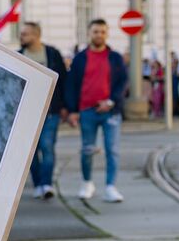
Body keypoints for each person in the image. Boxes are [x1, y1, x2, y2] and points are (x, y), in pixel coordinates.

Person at [65, 18, 128, 204]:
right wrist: (72, 110)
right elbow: (72, 85)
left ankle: (110, 187)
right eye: (95, 31)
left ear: (107, 34)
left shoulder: (115, 57)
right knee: (87, 150)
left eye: (102, 31)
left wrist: (111, 101)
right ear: (89, 34)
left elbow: (123, 83)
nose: (99, 35)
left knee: (112, 150)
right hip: (86, 110)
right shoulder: (80, 58)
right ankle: (87, 183)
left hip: (110, 111)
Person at [18, 21, 69, 200]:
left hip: (50, 110)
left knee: (47, 147)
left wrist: (65, 106)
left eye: (25, 34)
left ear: (36, 35)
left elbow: (63, 80)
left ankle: (47, 183)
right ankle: (39, 183)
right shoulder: (19, 55)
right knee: (31, 151)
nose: (21, 37)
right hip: (27, 111)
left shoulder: (52, 54)